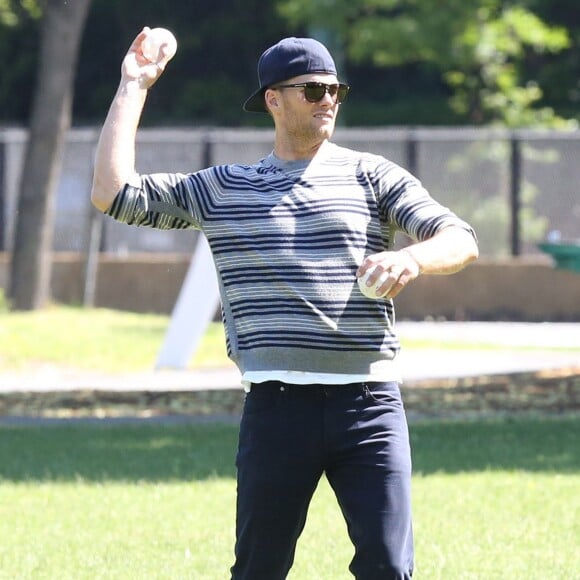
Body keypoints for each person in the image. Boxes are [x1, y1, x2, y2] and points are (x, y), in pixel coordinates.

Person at [91, 29, 478, 580]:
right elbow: (113, 193)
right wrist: (133, 85)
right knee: (259, 568)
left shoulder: (372, 175)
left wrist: (413, 260)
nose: (329, 102)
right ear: (274, 99)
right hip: (276, 409)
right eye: (314, 90)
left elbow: (459, 236)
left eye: (335, 91)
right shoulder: (225, 188)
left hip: (368, 407)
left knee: (390, 567)